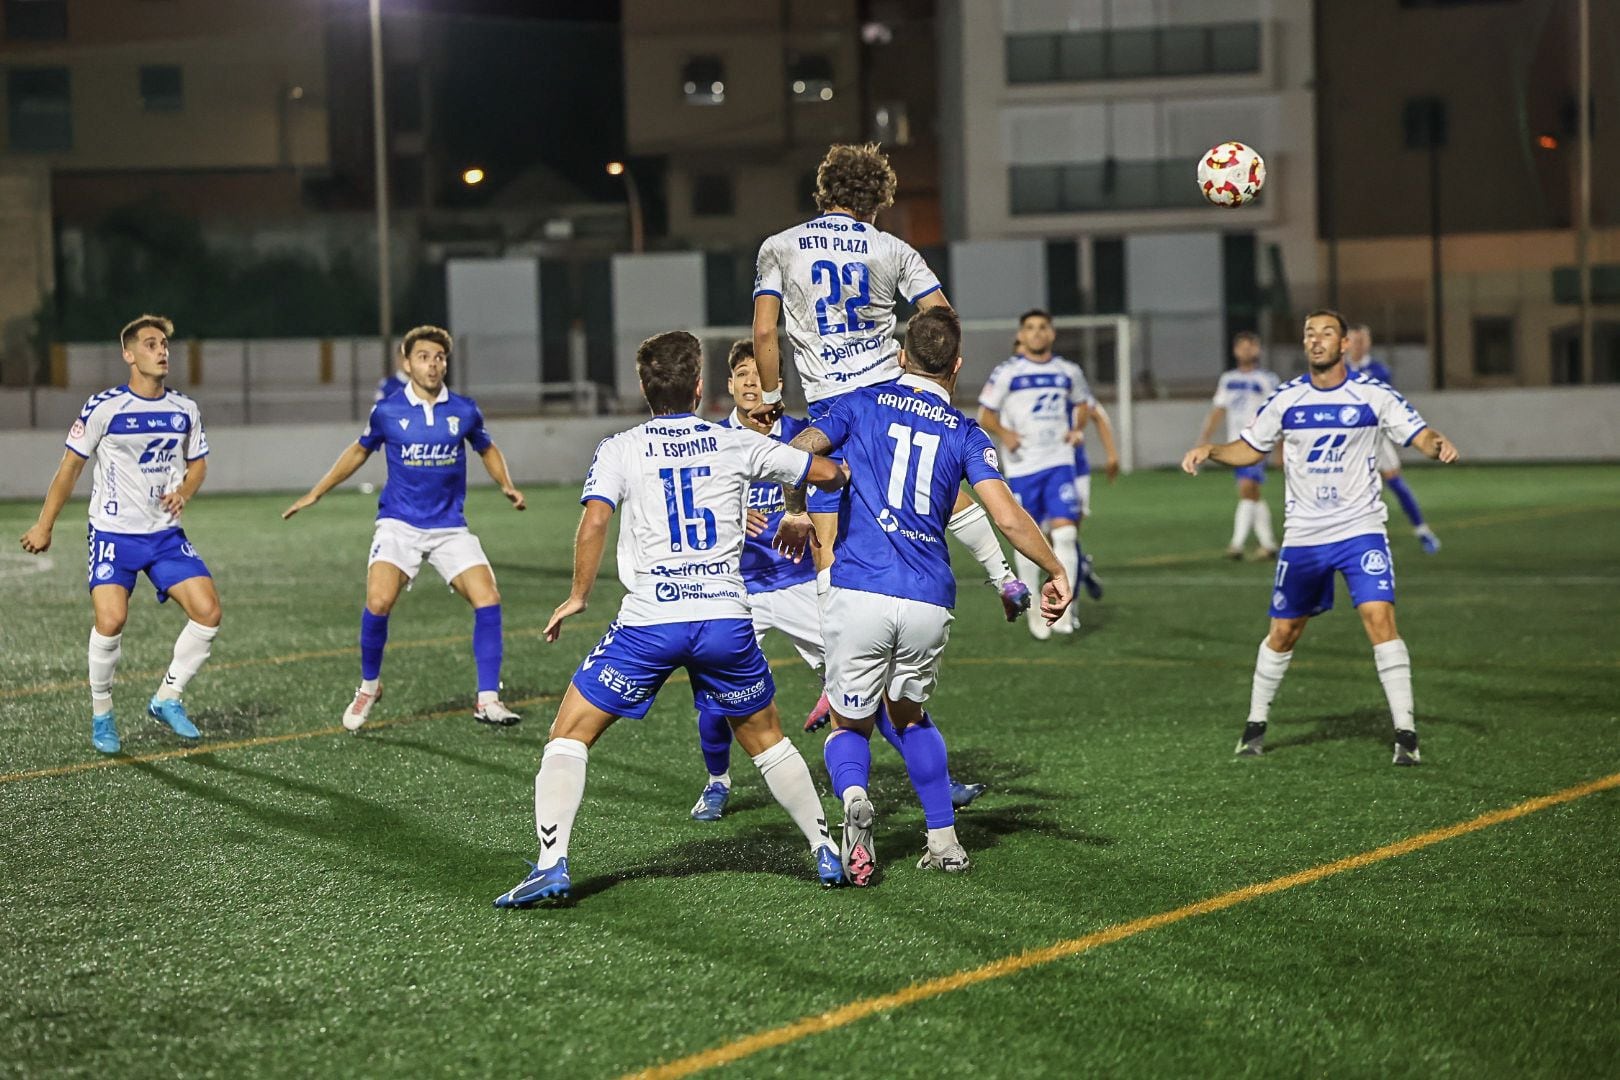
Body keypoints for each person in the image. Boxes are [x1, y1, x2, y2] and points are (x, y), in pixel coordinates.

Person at [494, 331, 849, 906]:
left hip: (650, 621)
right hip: (724, 619)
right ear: (702, 387)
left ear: (643, 386)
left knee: (568, 734)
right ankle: (823, 849)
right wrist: (812, 489)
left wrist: (579, 595)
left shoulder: (620, 447)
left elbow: (593, 523)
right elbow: (823, 473)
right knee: (767, 740)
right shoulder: (733, 442)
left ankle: (551, 865)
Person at [776, 308, 1072, 883]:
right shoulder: (966, 433)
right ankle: (945, 841)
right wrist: (1052, 568)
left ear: (902, 356)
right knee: (910, 717)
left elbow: (799, 451)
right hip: (928, 600)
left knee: (848, 725)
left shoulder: (860, 403)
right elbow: (1005, 515)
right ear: (956, 367)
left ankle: (856, 800)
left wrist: (793, 511)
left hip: (859, 588)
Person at [688, 340, 986, 821]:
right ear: (728, 385)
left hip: (799, 582)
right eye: (740, 375)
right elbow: (691, 505)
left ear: (775, 383)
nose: (749, 384)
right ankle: (717, 782)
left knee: (873, 685)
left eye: (757, 374)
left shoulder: (805, 434)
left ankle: (936, 781)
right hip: (738, 588)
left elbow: (843, 484)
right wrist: (728, 513)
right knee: (719, 693)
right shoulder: (713, 441)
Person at [749, 142, 1029, 621]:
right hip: (889, 392)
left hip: (831, 403)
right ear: (877, 199)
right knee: (929, 488)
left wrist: (773, 397)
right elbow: (942, 316)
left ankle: (836, 654)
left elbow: (762, 331)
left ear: (824, 191)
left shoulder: (780, 245)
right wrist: (934, 373)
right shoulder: (893, 249)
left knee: (827, 522)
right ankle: (1003, 575)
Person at [1181, 310, 1460, 765]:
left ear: (1344, 343)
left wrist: (1436, 444)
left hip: (1360, 529)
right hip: (1305, 535)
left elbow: (1418, 432)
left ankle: (1406, 735)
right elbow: (1250, 447)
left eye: (1327, 333)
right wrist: (1211, 450)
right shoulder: (1286, 398)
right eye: (1310, 333)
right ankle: (1254, 725)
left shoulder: (1373, 394)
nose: (1316, 340)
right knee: (1284, 632)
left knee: (1378, 617)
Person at [282, 325, 525, 729]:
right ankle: (369, 686)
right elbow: (358, 452)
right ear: (406, 362)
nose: (434, 364)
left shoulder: (463, 409)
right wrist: (316, 492)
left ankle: (487, 700)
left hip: (449, 527)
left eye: (440, 357)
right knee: (378, 602)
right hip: (399, 524)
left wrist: (507, 485)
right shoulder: (389, 411)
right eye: (425, 357)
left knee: (488, 599)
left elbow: (487, 448)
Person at [19, 314, 220, 753]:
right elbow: (71, 467)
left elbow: (199, 461)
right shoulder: (104, 407)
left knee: (208, 612)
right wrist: (44, 524)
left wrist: (185, 490)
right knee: (111, 621)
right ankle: (102, 715)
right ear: (128, 355)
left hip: (165, 534)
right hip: (114, 534)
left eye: (164, 344)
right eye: (150, 344)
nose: (162, 350)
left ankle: (167, 698)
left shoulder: (184, 409)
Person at [977, 309, 1109, 639]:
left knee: (1065, 536)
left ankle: (1067, 606)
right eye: (1030, 328)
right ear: (1021, 336)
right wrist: (1005, 434)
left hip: (1059, 463)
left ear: (1051, 334)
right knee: (1027, 539)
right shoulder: (1007, 372)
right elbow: (985, 415)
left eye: (1042, 328)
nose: (1037, 333)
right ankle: (1036, 606)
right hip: (1023, 467)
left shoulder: (1069, 371)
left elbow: (1083, 404)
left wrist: (1077, 429)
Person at [1345, 324, 1440, 553]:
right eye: (1354, 340)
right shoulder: (1337, 370)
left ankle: (1422, 530)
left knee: (1395, 482)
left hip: (1374, 436)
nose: (1358, 345)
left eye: (1362, 341)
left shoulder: (1380, 371)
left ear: (1368, 343)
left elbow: (1385, 403)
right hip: (1345, 439)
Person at [1194, 331, 1282, 560]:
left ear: (1258, 350)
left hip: (1258, 442)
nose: (1246, 350)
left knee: (1246, 488)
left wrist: (1280, 447)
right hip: (1236, 442)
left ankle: (1237, 544)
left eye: (1251, 346)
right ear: (1234, 350)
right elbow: (1218, 409)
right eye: (1242, 346)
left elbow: (1279, 412)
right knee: (1252, 492)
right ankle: (1268, 544)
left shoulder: (1268, 379)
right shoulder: (1228, 379)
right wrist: (1204, 437)